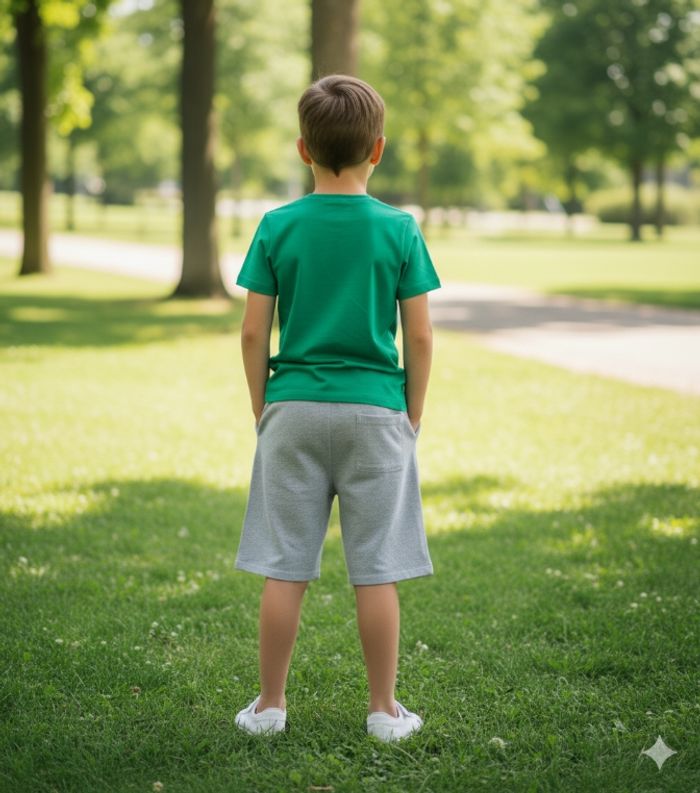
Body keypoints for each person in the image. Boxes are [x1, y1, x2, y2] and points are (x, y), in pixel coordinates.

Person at [233, 74, 441, 742]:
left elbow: (251, 332)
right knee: (376, 567)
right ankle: (384, 709)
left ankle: (269, 706)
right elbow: (422, 334)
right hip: (378, 412)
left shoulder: (277, 225)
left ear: (303, 149)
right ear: (377, 149)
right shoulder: (399, 228)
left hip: (292, 409)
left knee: (284, 563)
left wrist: (265, 406)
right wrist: (411, 413)